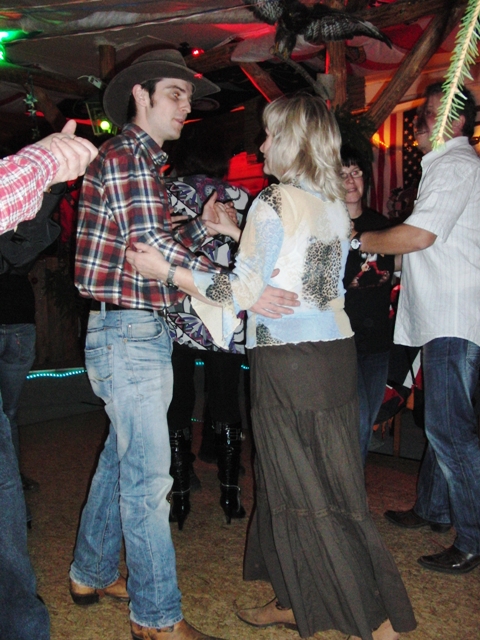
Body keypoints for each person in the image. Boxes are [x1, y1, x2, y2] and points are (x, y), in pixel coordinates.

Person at [126, 93, 417, 640]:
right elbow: (299, 268)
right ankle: (294, 598)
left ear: (293, 141)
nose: (261, 146)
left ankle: (377, 622)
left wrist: (165, 270)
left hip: (288, 364)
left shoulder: (274, 200)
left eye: (270, 135)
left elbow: (239, 292)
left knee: (307, 488)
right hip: (332, 356)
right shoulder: (331, 202)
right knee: (311, 481)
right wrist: (233, 234)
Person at [71, 49, 295, 640]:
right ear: (140, 96)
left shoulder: (138, 162)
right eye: (175, 93)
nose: (185, 105)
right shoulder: (127, 156)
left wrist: (202, 227)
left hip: (129, 329)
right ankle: (156, 619)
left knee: (121, 462)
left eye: (189, 97)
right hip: (129, 331)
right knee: (149, 483)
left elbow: (147, 245)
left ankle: (90, 572)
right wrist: (241, 288)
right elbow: (152, 248)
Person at [350, 82, 480, 575]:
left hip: (453, 316)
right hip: (446, 314)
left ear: (455, 121)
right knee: (445, 422)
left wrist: (357, 240)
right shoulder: (449, 166)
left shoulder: (454, 165)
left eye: (427, 113)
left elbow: (419, 236)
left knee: (449, 429)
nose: (417, 122)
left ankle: (473, 538)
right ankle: (433, 508)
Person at [0, 121, 97, 640]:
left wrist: (51, 188)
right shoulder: (18, 175)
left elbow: (21, 251)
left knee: (8, 427)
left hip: (15, 321)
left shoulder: (32, 190)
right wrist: (43, 164)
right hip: (13, 321)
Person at [165, 134, 250, 529]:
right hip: (224, 310)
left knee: (177, 399)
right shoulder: (240, 197)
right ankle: (231, 495)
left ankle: (181, 493)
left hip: (177, 308)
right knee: (226, 399)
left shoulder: (164, 193)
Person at [341, 146, 396, 464]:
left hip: (377, 344)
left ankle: (353, 485)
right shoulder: (324, 227)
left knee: (366, 424)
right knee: (358, 421)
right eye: (342, 174)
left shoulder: (383, 225)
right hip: (341, 341)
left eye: (356, 172)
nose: (350, 180)